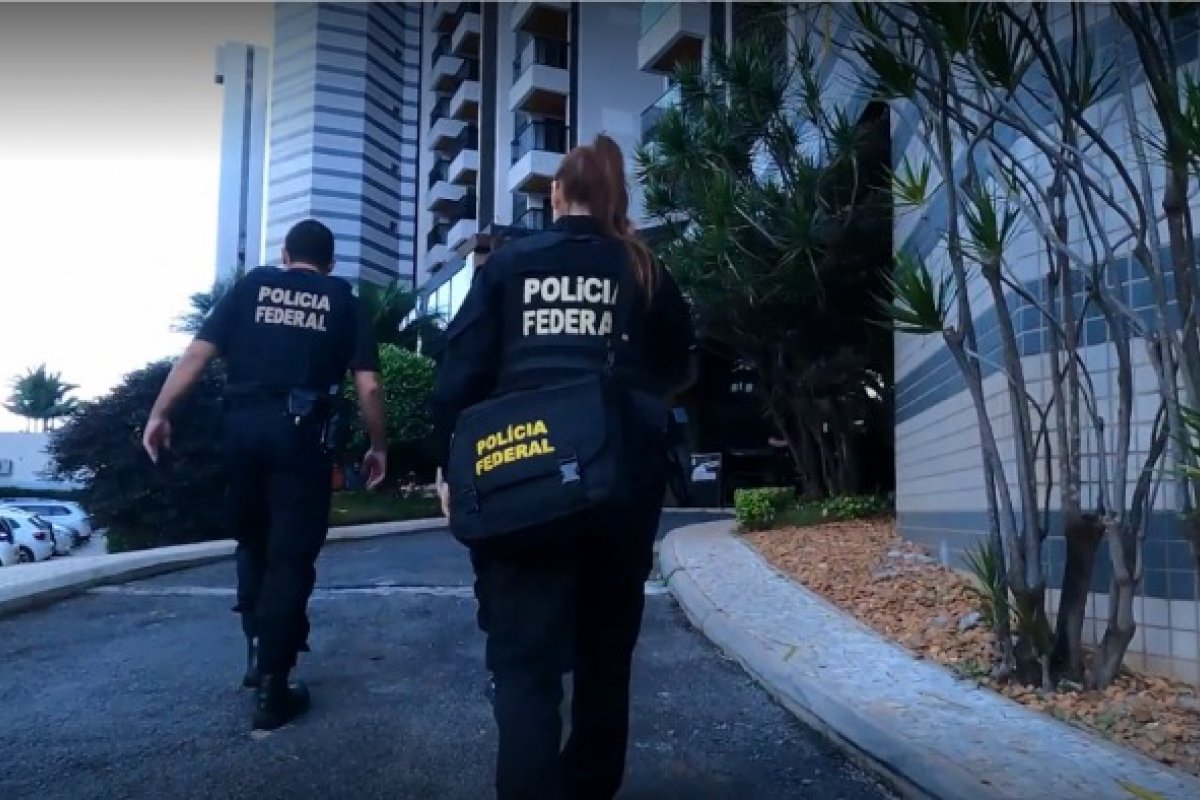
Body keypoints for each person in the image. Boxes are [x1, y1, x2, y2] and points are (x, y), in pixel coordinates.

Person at [430, 134, 697, 799]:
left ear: (555, 195)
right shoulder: (642, 268)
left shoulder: (509, 265)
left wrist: (449, 467)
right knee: (605, 662)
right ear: (617, 198)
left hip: (522, 480)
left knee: (523, 669)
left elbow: (456, 377)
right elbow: (684, 363)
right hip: (620, 483)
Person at [142, 219, 388, 731]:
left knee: (252, 542)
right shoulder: (343, 299)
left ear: (285, 253)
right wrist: (378, 445)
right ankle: (275, 684)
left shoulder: (252, 286)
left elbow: (196, 354)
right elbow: (367, 387)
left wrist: (160, 413)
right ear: (331, 261)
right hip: (302, 439)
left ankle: (258, 651)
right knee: (291, 557)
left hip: (241, 432)